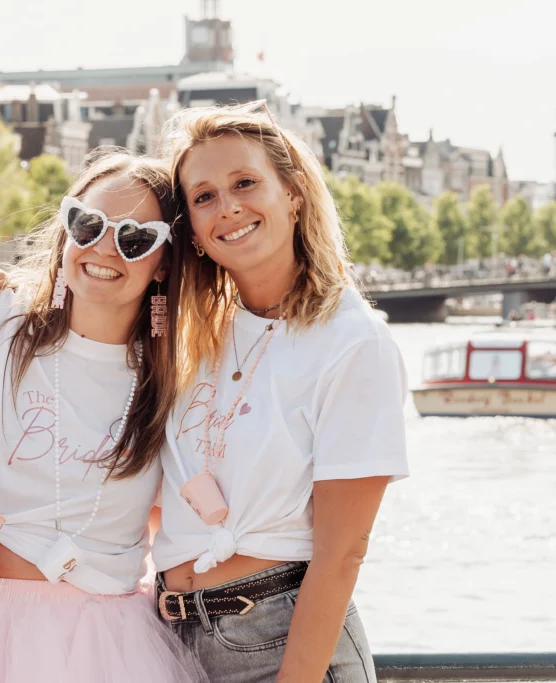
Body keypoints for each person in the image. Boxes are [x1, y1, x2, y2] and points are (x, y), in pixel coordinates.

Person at [0, 150, 206, 683]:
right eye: (88, 224)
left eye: (135, 239)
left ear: (164, 261)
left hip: (110, 648)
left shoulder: (179, 379)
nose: (104, 249)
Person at [151, 102, 409, 682]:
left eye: (245, 182)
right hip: (169, 641)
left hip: (280, 642)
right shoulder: (194, 338)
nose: (228, 207)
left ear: (292, 193)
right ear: (190, 228)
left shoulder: (351, 342)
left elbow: (343, 554)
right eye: (204, 196)